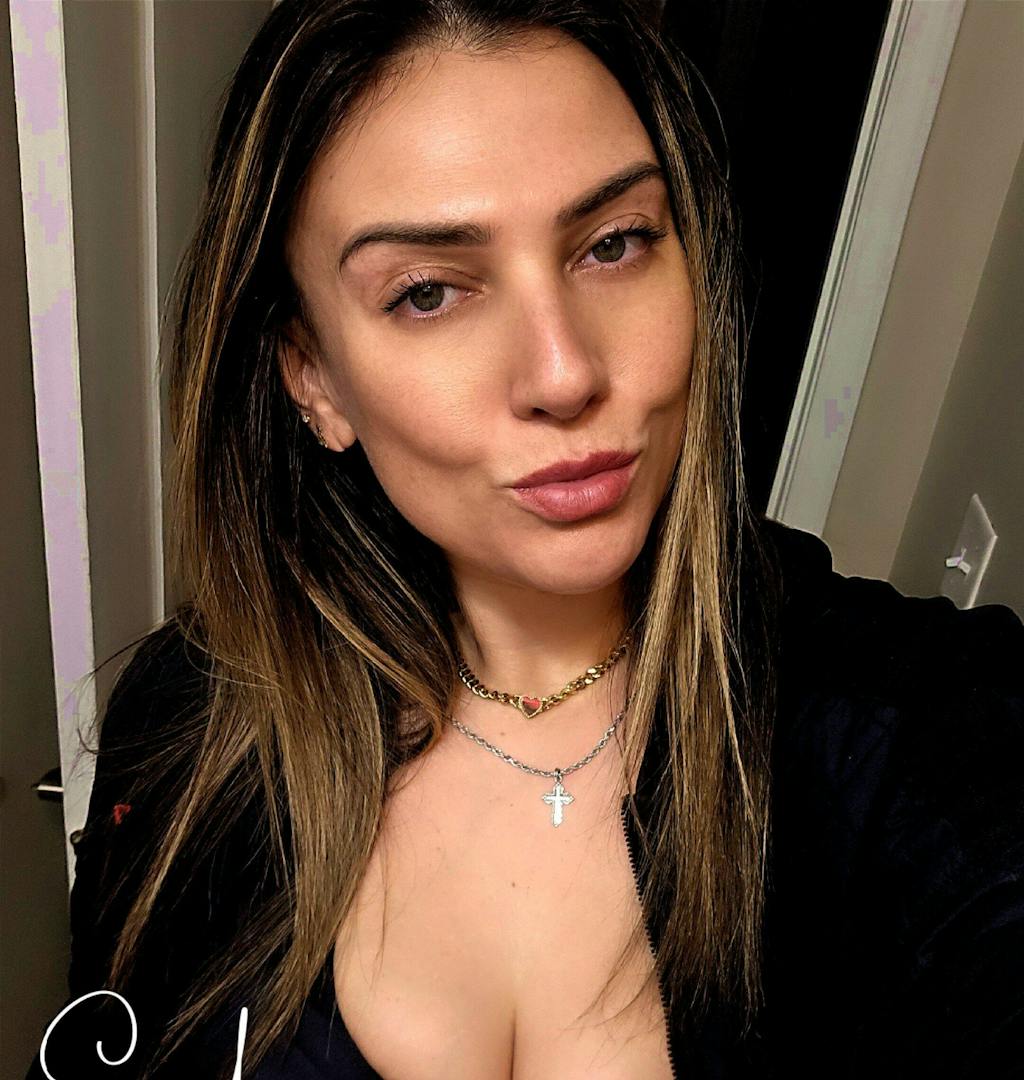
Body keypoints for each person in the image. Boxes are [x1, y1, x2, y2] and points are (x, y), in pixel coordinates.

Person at [26, 1, 1024, 1078]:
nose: (564, 373)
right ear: (313, 378)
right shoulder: (191, 723)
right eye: (426, 293)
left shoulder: (915, 736)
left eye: (614, 243)